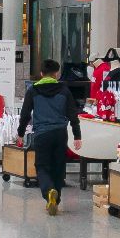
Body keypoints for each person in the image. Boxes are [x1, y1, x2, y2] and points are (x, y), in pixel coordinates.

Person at [23, 59, 83, 214]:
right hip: (60, 133)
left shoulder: (33, 90)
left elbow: (25, 114)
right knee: (58, 167)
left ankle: (49, 191)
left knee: (42, 166)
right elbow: (72, 114)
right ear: (56, 74)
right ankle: (55, 199)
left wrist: (20, 133)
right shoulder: (64, 90)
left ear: (41, 74)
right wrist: (77, 135)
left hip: (42, 134)